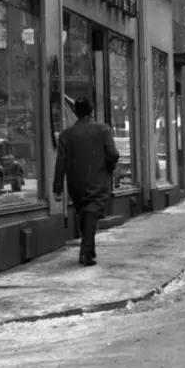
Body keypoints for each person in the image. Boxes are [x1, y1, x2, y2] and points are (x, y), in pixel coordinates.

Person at [52, 98, 119, 266]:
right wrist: (108, 168)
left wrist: (58, 188)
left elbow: (60, 162)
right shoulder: (103, 130)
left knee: (84, 212)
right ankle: (85, 252)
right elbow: (113, 154)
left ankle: (90, 249)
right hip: (97, 178)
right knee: (91, 211)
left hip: (75, 181)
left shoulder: (66, 135)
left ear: (76, 113)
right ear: (91, 111)